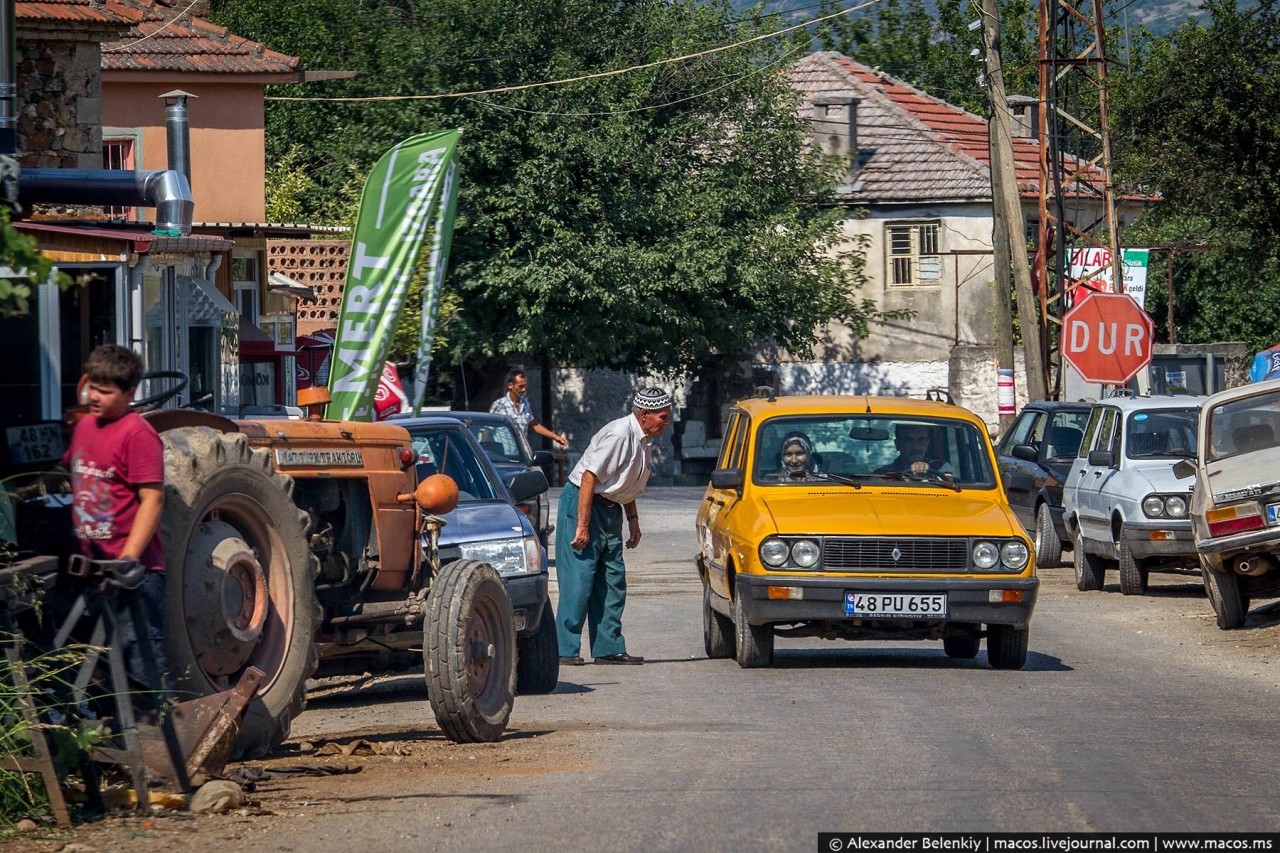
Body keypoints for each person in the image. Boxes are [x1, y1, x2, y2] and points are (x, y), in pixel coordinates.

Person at [63, 344, 171, 693]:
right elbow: (74, 475)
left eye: (105, 392)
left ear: (129, 393)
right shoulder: (85, 428)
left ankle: (167, 735)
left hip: (134, 572)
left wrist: (129, 557)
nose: (95, 396)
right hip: (92, 566)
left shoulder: (137, 433)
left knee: (142, 661)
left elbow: (152, 498)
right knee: (97, 665)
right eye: (92, 387)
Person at [555, 387, 672, 666]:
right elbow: (588, 478)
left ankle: (608, 647)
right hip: (583, 504)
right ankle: (564, 649)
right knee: (579, 579)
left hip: (611, 508)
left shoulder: (644, 439)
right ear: (644, 415)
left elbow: (627, 482)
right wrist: (582, 527)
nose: (665, 423)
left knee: (612, 578)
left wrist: (633, 520)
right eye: (662, 417)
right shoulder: (619, 434)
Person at [490, 369, 568, 449]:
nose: (523, 390)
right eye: (520, 386)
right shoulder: (499, 405)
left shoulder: (524, 403)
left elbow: (534, 424)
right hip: (504, 454)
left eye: (525, 386)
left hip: (521, 453)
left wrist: (556, 437)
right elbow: (488, 428)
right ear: (510, 385)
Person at [877, 423, 953, 477]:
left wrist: (928, 475)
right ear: (898, 444)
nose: (916, 447)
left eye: (921, 440)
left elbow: (950, 489)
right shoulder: (883, 474)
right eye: (908, 440)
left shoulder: (940, 467)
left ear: (927, 443)